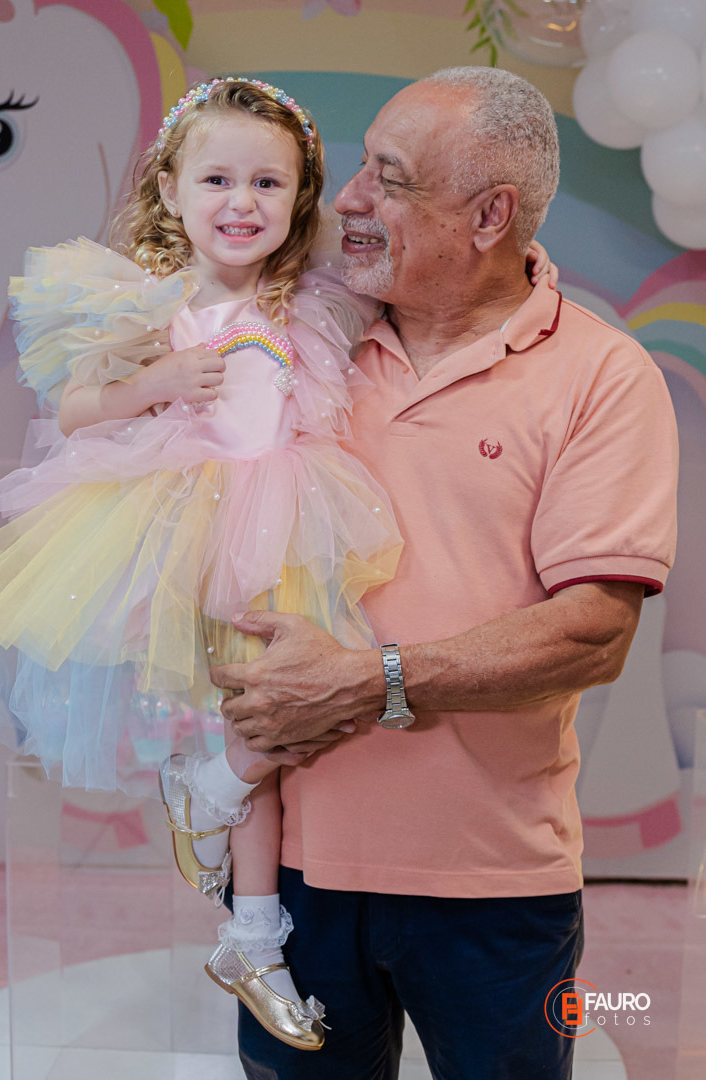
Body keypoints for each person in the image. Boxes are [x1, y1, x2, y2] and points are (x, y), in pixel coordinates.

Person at [0, 74, 553, 1056]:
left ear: (299, 200)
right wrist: (156, 380)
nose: (240, 202)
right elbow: (75, 408)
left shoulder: (313, 299)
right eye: (216, 180)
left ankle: (244, 914)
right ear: (170, 190)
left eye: (267, 183)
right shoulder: (143, 301)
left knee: (287, 718)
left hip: (287, 525)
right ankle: (246, 909)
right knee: (252, 716)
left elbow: (442, 287)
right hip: (174, 524)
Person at [209, 68, 680, 1079]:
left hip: (495, 887)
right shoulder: (299, 344)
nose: (346, 200)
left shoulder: (601, 375)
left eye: (387, 179)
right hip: (293, 877)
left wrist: (365, 679)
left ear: (487, 216)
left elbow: (591, 630)